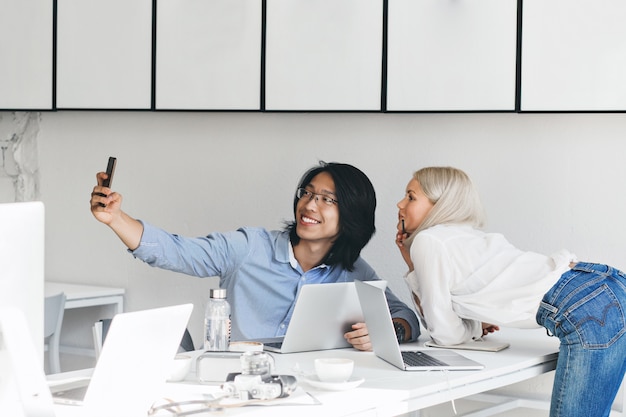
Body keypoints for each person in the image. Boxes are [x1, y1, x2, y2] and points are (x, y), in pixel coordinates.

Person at [90, 161, 420, 351]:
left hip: (303, 392)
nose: (309, 205)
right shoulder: (250, 247)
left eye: (326, 200)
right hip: (233, 387)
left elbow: (405, 316)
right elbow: (177, 252)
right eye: (306, 194)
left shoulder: (353, 272)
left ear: (351, 216)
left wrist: (389, 329)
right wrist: (116, 218)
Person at [394, 166, 626, 417]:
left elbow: (445, 334)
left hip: (581, 302)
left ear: (440, 204)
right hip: (605, 282)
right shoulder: (467, 238)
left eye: (411, 196)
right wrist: (412, 265)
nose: (400, 203)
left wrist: (473, 327)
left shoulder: (428, 241)